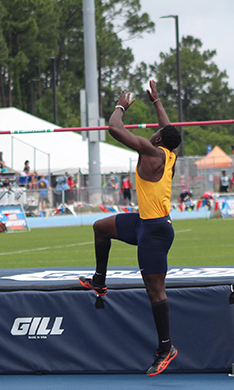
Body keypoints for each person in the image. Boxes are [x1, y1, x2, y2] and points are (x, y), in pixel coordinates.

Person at [79, 81, 181, 376]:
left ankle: (166, 348)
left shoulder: (151, 152)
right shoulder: (170, 153)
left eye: (157, 131)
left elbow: (113, 128)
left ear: (158, 138)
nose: (155, 130)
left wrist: (122, 105)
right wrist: (157, 101)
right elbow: (170, 129)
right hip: (143, 223)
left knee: (155, 291)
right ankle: (100, 281)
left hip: (155, 231)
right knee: (101, 227)